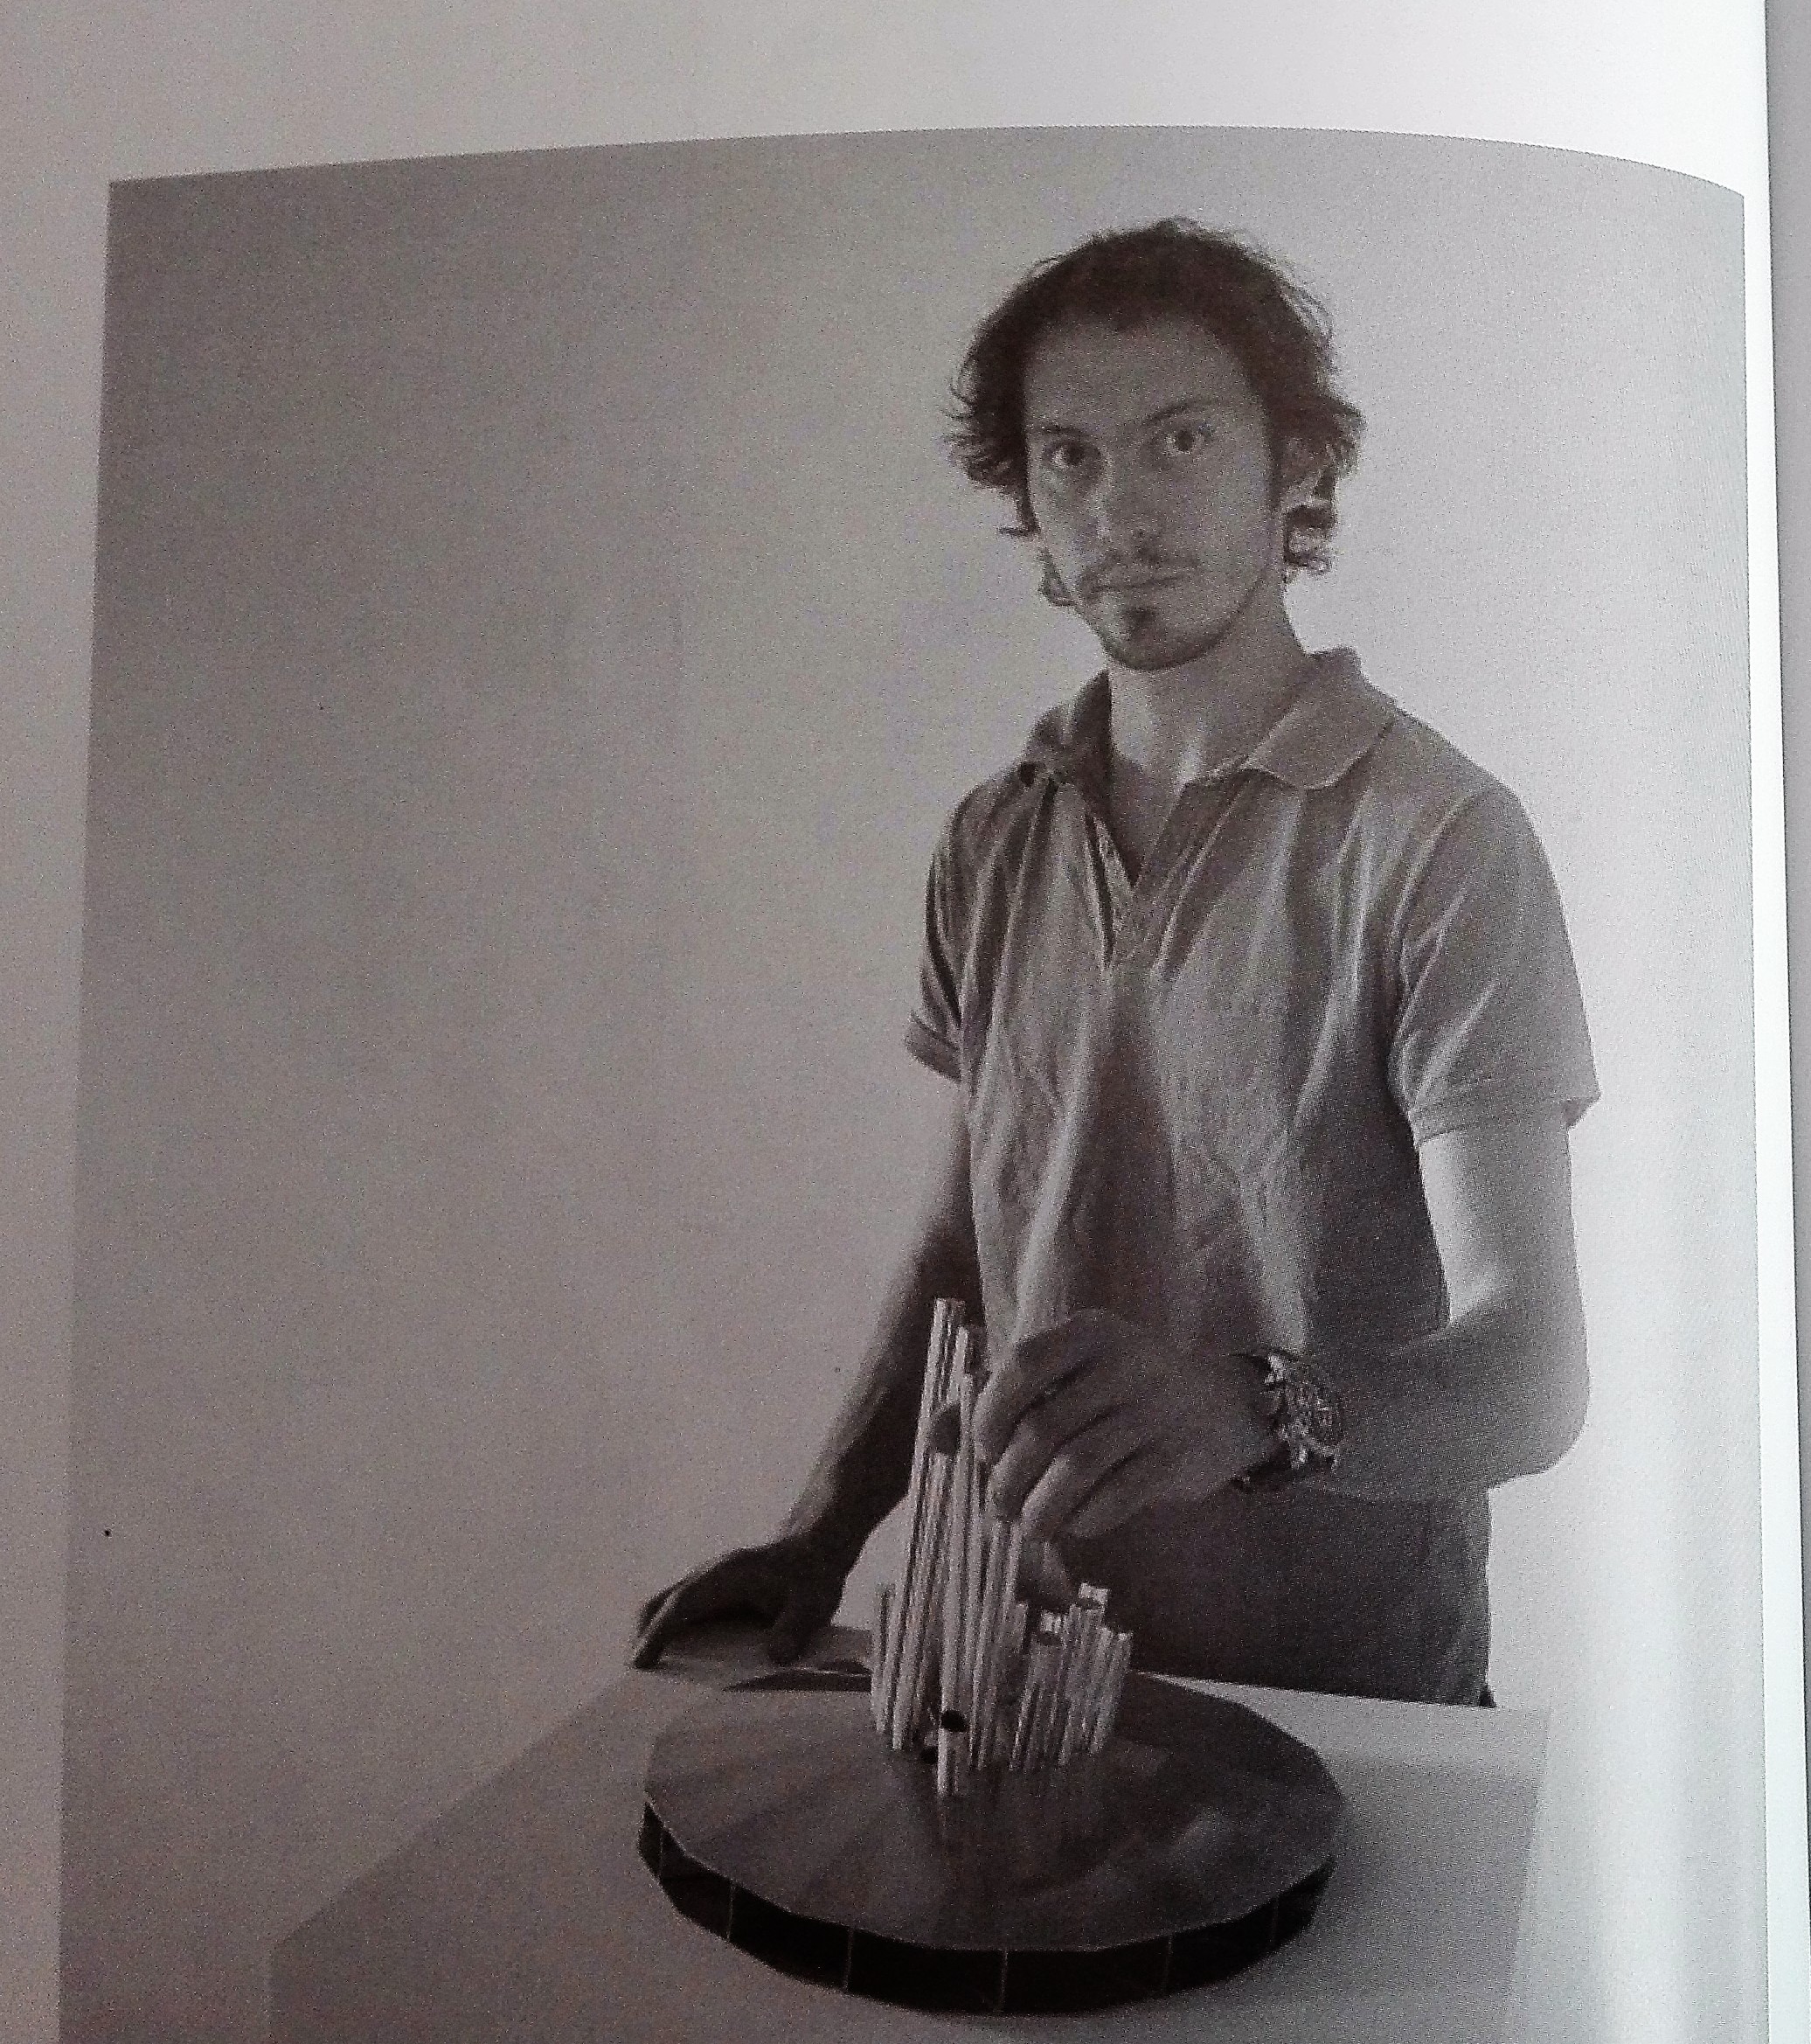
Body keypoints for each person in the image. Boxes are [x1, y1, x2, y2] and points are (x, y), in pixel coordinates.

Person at [632, 219, 1593, 1704]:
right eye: (1070, 456)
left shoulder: (1441, 839)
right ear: (1027, 497)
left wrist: (1255, 1409)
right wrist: (822, 1531)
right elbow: (966, 1249)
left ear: (1297, 465)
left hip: (1353, 1708)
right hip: (1027, 1689)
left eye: (1181, 440)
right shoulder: (993, 837)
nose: (1121, 508)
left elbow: (1530, 1373)